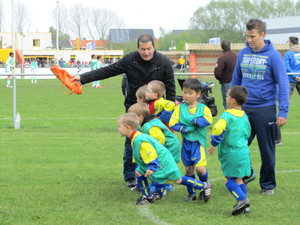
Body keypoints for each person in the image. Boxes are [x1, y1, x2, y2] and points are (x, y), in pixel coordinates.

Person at [71, 34, 176, 188]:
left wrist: (170, 112)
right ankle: (131, 177)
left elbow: (171, 88)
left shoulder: (164, 62)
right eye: (142, 49)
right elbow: (107, 71)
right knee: (132, 143)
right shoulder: (130, 60)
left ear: (154, 47)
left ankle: (160, 176)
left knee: (157, 144)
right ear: (138, 48)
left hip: (154, 113)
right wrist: (82, 77)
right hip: (133, 110)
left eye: (149, 49)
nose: (146, 52)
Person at [231, 19, 290, 195]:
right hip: (244, 109)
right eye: (247, 36)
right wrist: (233, 104)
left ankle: (268, 184)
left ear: (263, 35)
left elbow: (284, 84)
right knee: (238, 145)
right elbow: (236, 81)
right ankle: (246, 174)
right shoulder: (242, 53)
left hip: (265, 109)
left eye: (253, 36)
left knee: (267, 149)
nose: (249, 39)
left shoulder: (274, 56)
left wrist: (284, 111)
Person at [117, 112, 211, 205]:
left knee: (177, 180)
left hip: (163, 162)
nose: (118, 129)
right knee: (139, 172)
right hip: (159, 160)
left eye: (119, 126)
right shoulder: (136, 136)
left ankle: (203, 186)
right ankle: (148, 196)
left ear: (128, 127)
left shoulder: (139, 139)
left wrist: (152, 166)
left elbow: (150, 153)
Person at [208, 85, 251, 216]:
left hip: (231, 153)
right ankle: (245, 207)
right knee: (239, 179)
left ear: (232, 101)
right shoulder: (244, 115)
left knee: (228, 180)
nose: (225, 98)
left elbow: (217, 129)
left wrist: (214, 143)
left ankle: (242, 200)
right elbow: (248, 132)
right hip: (243, 152)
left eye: (227, 96)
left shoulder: (227, 115)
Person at [169, 78, 212, 202]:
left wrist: (195, 121)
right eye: (184, 92)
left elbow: (207, 120)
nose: (186, 95)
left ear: (198, 94)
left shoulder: (203, 108)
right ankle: (191, 193)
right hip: (186, 143)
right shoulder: (179, 108)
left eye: (190, 93)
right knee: (188, 170)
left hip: (198, 143)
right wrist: (183, 128)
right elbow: (173, 122)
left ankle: (205, 188)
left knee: (200, 168)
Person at [128, 102, 180, 195]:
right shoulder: (144, 124)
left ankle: (164, 186)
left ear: (140, 117)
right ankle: (157, 185)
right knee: (156, 165)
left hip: (169, 147)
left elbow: (160, 139)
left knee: (162, 167)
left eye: (133, 118)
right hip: (164, 147)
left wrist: (153, 153)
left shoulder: (150, 126)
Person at [214, 39, 238, 109]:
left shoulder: (222, 58)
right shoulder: (236, 56)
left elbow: (217, 73)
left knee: (228, 104)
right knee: (237, 102)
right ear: (230, 46)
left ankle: (229, 118)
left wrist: (221, 79)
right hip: (237, 82)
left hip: (226, 83)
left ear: (221, 47)